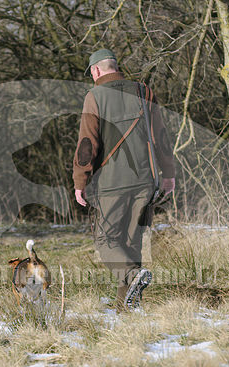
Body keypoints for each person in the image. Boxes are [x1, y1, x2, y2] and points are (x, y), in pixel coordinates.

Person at [73, 48, 176, 312]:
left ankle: (132, 279)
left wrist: (80, 181)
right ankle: (126, 306)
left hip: (111, 184)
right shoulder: (143, 91)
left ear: (96, 70)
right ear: (115, 66)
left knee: (106, 241)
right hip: (145, 181)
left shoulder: (94, 96)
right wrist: (169, 174)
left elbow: (87, 145)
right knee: (131, 242)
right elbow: (160, 137)